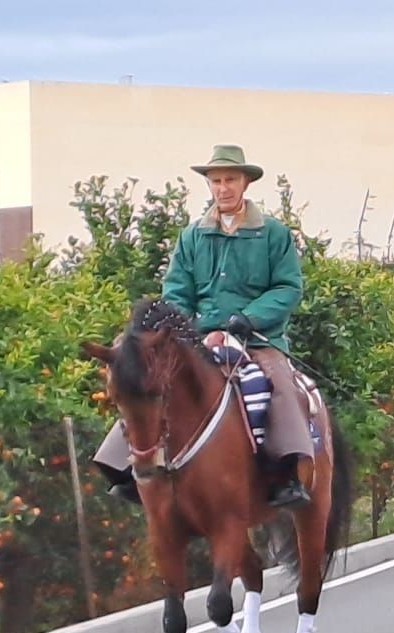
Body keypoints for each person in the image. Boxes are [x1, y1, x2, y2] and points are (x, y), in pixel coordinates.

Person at [94, 144, 313, 508]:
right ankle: (124, 465)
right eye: (216, 181)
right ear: (209, 186)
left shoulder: (274, 234)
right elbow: (176, 290)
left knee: (279, 386)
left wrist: (250, 317)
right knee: (142, 380)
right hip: (198, 338)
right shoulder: (192, 236)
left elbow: (288, 287)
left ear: (245, 183)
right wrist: (183, 328)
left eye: (230, 179)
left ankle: (287, 473)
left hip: (257, 338)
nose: (223, 187)